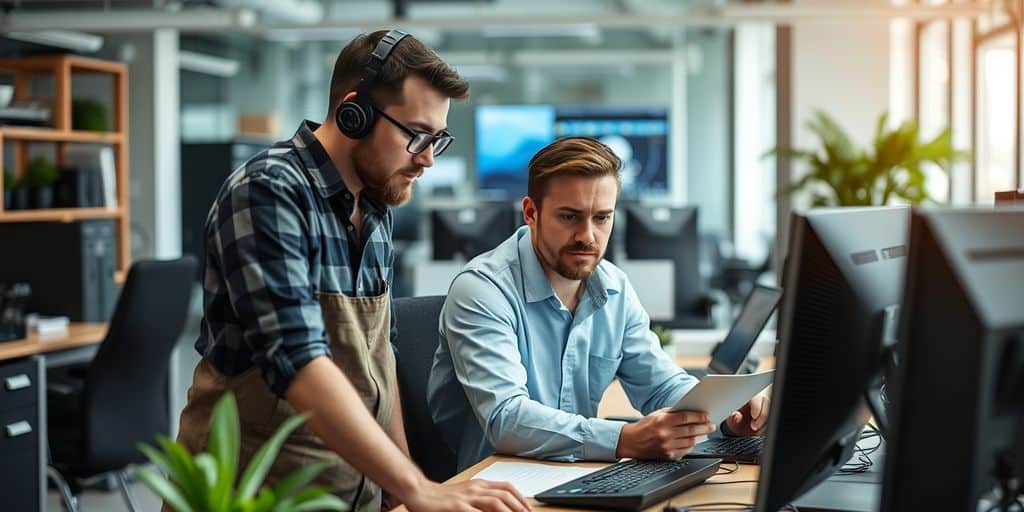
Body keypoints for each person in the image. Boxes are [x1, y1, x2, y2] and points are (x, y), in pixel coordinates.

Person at [173, 30, 530, 512]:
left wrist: (399, 491)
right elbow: (297, 362)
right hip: (256, 494)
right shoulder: (269, 191)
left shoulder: (375, 206)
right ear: (353, 114)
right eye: (416, 135)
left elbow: (379, 359)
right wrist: (417, 489)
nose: (426, 158)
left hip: (347, 492)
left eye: (436, 139)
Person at [428, 137, 769, 471]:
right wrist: (623, 439)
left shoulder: (614, 288)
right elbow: (506, 417)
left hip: (577, 476)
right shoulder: (482, 290)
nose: (588, 236)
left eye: (602, 218)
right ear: (531, 212)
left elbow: (661, 385)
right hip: (492, 487)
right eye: (569, 217)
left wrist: (726, 416)